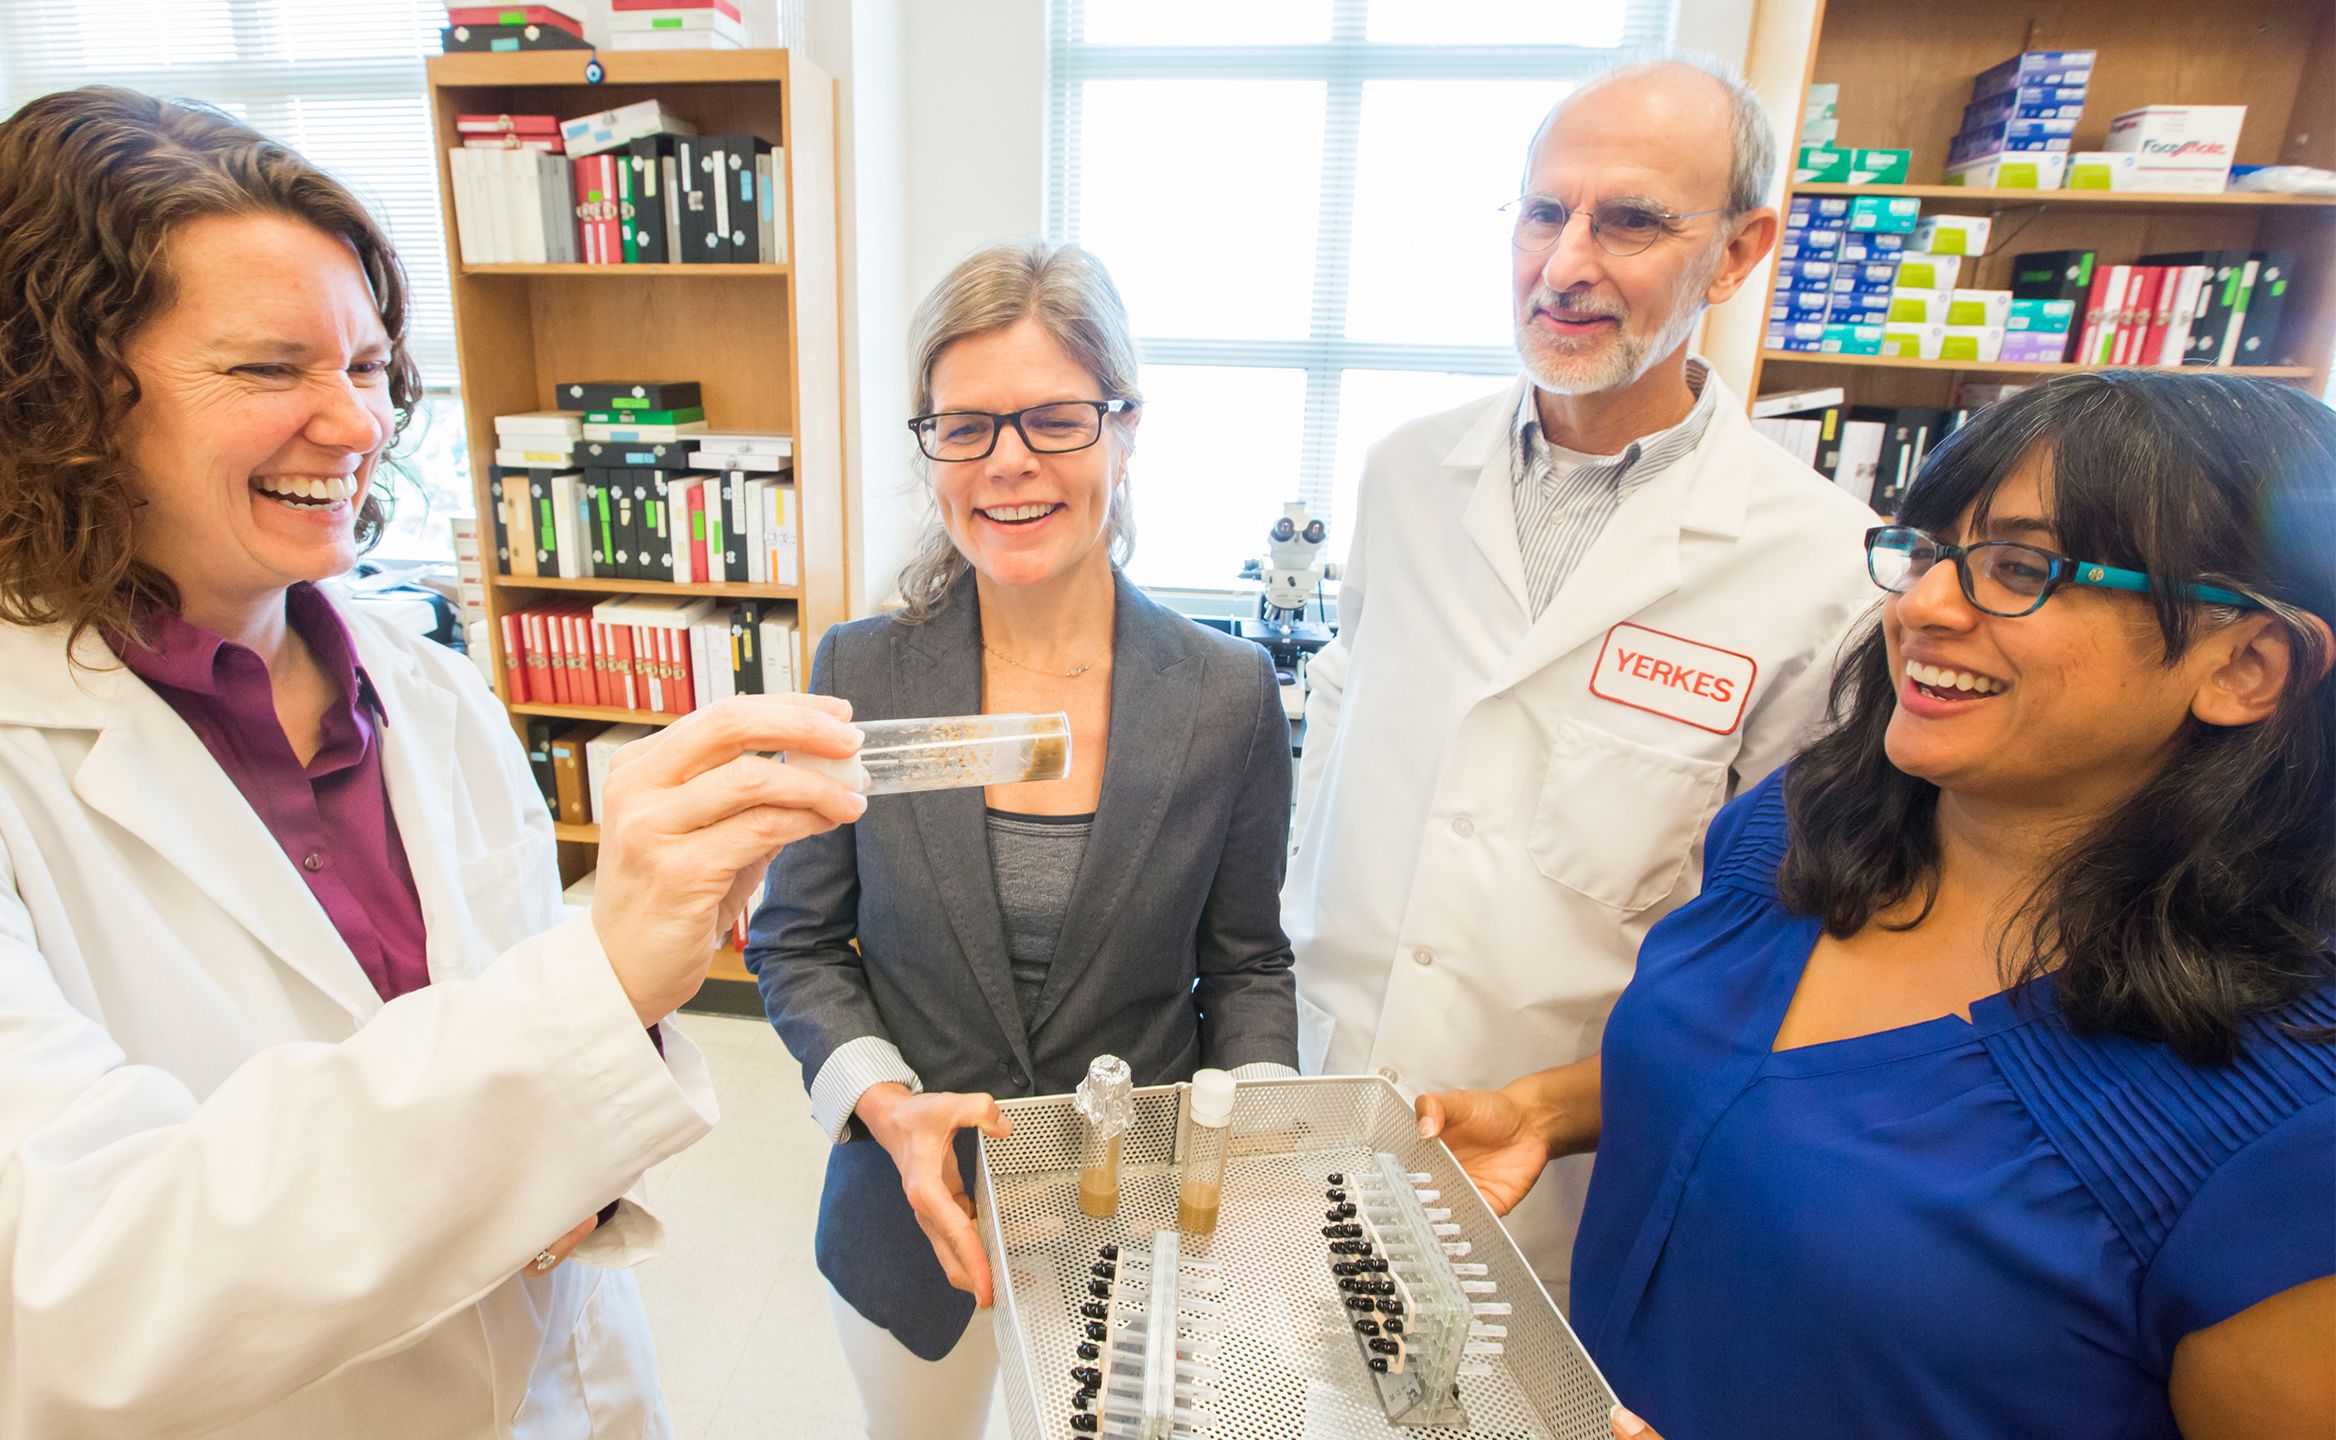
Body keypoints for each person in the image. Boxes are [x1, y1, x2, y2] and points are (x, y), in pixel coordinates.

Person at [0, 88, 865, 1440]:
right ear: (54, 396)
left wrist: (608, 1045)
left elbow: (513, 1062)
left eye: (363, 366)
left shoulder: (426, 688)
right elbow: (29, 1291)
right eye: (267, 368)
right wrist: (594, 986)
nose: (356, 426)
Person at [1420, 371, 2336, 1440]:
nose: (1921, 606)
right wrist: (1547, 1109)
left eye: (2019, 570)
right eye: (1929, 552)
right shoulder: (1800, 828)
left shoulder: (2283, 1126)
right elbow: (1759, 1076)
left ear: (2245, 666)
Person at [1280, 53, 1878, 1305]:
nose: (1564, 265)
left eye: (1632, 221)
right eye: (1545, 212)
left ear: (1735, 252)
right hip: (1327, 1081)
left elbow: (1776, 932)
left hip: (1563, 1168)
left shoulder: (1816, 570)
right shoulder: (1404, 472)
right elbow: (1346, 715)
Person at [745, 240, 1300, 1440]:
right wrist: (881, 1103)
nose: (1008, 464)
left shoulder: (1225, 695)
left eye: (1054, 420)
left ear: (1125, 426)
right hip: (909, 1213)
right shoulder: (860, 670)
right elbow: (795, 942)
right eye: (966, 427)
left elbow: (1248, 963)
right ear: (930, 444)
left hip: (1133, 1218)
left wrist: (1249, 1149)